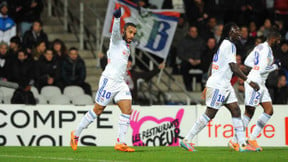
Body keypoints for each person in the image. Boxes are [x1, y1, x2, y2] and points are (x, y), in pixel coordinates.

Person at [179, 23, 260, 152]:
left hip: (224, 84)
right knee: (210, 114)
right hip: (218, 85)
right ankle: (186, 140)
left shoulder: (226, 44)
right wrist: (249, 81)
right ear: (229, 32)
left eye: (239, 30)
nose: (239, 32)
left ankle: (242, 145)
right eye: (236, 30)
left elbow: (213, 64)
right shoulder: (228, 45)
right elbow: (233, 67)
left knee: (236, 110)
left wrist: (208, 83)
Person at [70, 8, 137, 152]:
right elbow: (115, 32)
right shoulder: (116, 41)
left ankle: (121, 142)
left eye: (134, 34)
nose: (132, 35)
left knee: (127, 109)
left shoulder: (126, 45)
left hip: (120, 83)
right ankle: (75, 134)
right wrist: (117, 19)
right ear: (124, 31)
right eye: (130, 32)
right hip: (109, 81)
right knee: (98, 110)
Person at [229, 30, 282, 151]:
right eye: (278, 40)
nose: (279, 42)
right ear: (273, 38)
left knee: (269, 110)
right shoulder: (267, 50)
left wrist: (257, 68)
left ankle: (252, 138)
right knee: (249, 112)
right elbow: (263, 69)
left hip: (260, 82)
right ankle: (234, 140)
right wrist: (275, 66)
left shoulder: (259, 47)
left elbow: (247, 61)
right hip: (255, 82)